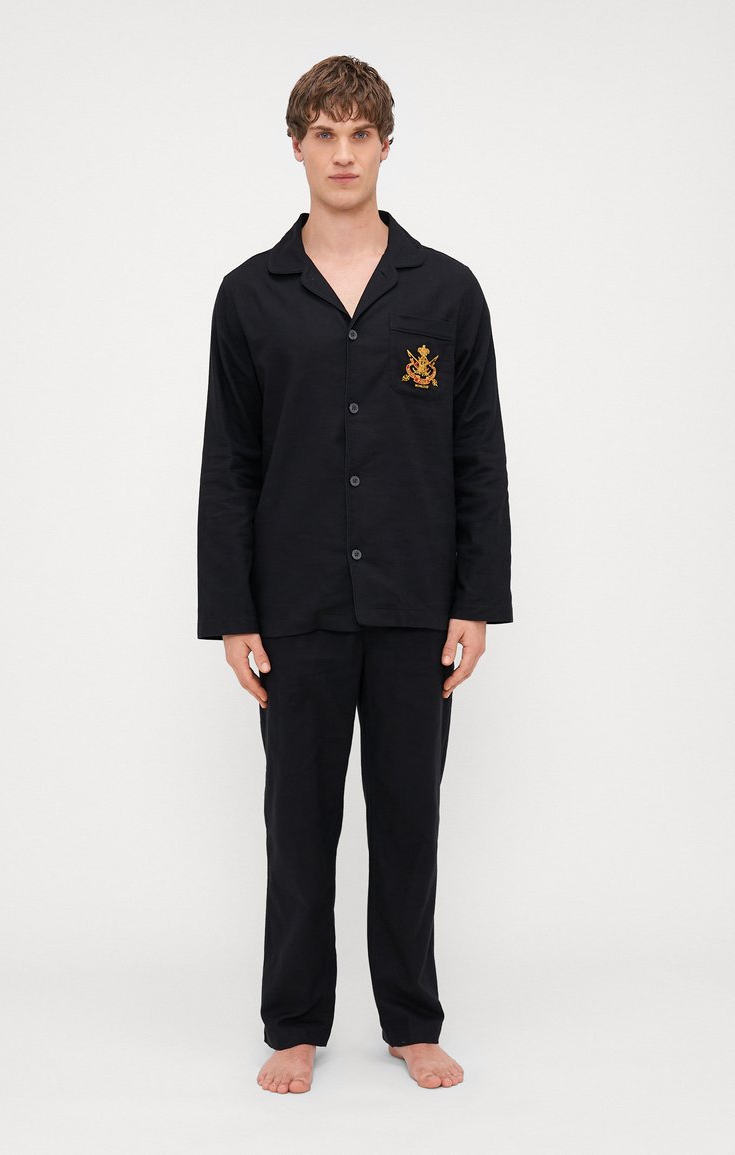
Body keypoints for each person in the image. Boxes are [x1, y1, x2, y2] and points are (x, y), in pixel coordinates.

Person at [196, 55, 513, 1093]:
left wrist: (475, 601)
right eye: (323, 134)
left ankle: (411, 1020)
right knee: (298, 824)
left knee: (409, 822)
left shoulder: (446, 292)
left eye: (359, 134)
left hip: (417, 603)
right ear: (296, 146)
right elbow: (231, 461)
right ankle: (294, 1025)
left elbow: (476, 454)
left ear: (384, 145)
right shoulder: (250, 296)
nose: (342, 153)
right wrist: (233, 613)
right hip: (293, 606)